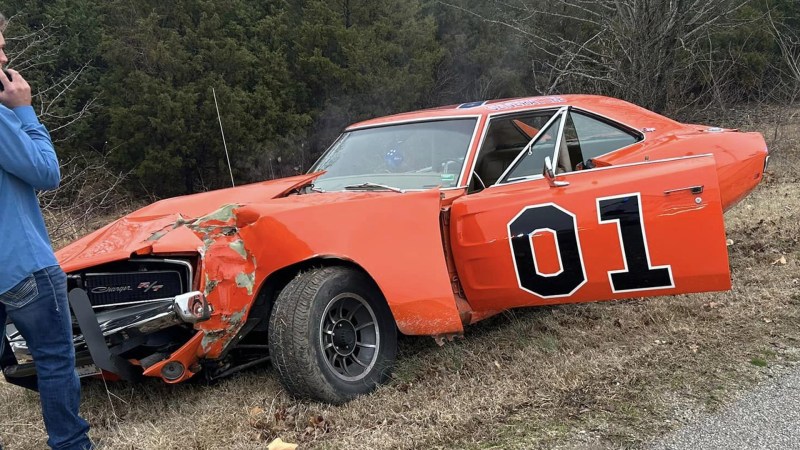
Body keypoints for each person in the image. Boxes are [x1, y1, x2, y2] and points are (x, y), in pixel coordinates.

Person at [0, 13, 93, 450]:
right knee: (55, 362)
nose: (5, 57)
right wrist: (23, 109)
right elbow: (46, 173)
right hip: (21, 265)